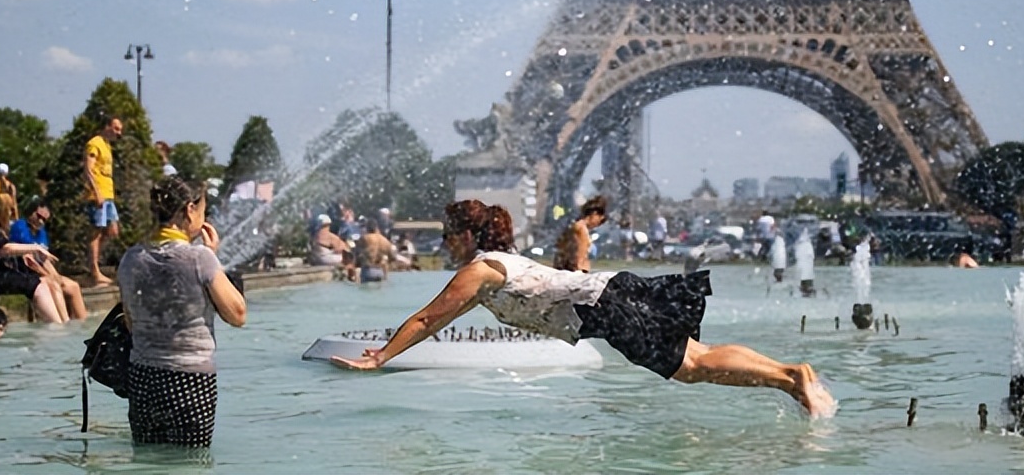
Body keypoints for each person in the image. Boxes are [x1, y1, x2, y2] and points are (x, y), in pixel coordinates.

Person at [330, 200, 836, 418]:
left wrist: (379, 358)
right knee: (697, 356)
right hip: (608, 291)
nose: (443, 243)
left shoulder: (479, 270)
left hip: (603, 304)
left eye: (447, 234)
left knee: (692, 367)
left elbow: (427, 318)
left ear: (467, 235)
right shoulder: (498, 261)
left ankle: (791, 378)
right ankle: (791, 375)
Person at [117, 176, 246, 448]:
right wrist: (214, 257)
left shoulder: (131, 258)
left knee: (148, 458)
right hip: (190, 380)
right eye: (202, 211)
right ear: (188, 210)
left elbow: (130, 322)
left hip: (143, 378)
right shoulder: (201, 258)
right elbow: (237, 314)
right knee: (190, 462)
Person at [0, 192, 68, 323]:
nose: (10, 214)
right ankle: (56, 326)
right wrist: (36, 248)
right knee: (37, 286)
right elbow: (5, 248)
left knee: (43, 282)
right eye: (9, 210)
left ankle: (63, 323)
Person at [10, 199, 87, 320]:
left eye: (44, 219)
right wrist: (50, 276)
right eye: (38, 216)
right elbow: (29, 261)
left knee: (73, 286)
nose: (40, 221)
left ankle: (84, 324)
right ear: (31, 212)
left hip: (41, 270)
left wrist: (56, 275)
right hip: (26, 272)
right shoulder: (20, 227)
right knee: (54, 284)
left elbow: (45, 260)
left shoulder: (42, 233)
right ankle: (64, 322)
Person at [84, 116, 124, 286]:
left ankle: (96, 263)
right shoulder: (95, 144)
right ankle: (94, 270)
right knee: (96, 231)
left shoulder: (107, 146)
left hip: (108, 194)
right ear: (107, 126)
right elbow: (88, 168)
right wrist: (96, 191)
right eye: (116, 128)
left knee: (113, 230)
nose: (118, 133)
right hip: (98, 194)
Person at [554, 196, 607, 272]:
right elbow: (580, 255)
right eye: (600, 220)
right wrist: (580, 271)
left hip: (566, 269)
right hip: (577, 271)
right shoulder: (581, 229)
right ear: (594, 214)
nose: (598, 224)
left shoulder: (575, 226)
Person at [356, 218, 399, 283]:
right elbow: (393, 258)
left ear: (367, 227)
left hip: (368, 270)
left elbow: (356, 254)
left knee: (365, 291)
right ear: (376, 227)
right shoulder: (385, 241)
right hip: (380, 271)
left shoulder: (365, 238)